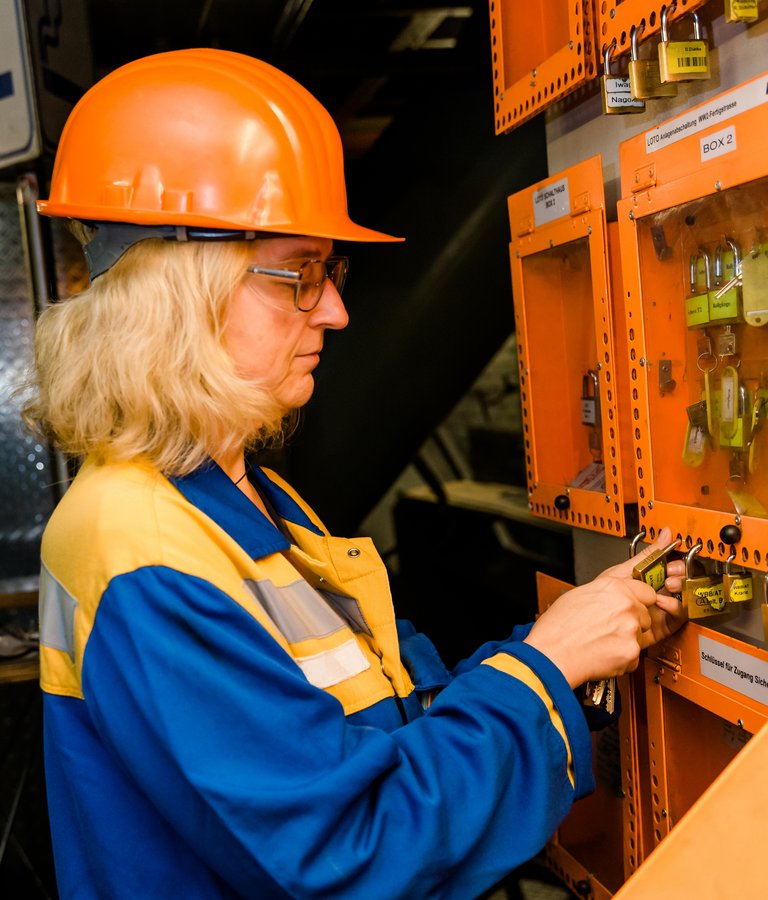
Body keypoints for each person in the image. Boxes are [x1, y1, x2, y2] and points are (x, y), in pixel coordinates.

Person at [25, 49, 686, 900]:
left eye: (330, 272)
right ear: (176, 293)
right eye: (299, 275)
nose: (335, 310)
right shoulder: (139, 550)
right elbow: (352, 857)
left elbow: (391, 726)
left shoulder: (250, 500)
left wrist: (567, 654)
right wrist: (548, 670)